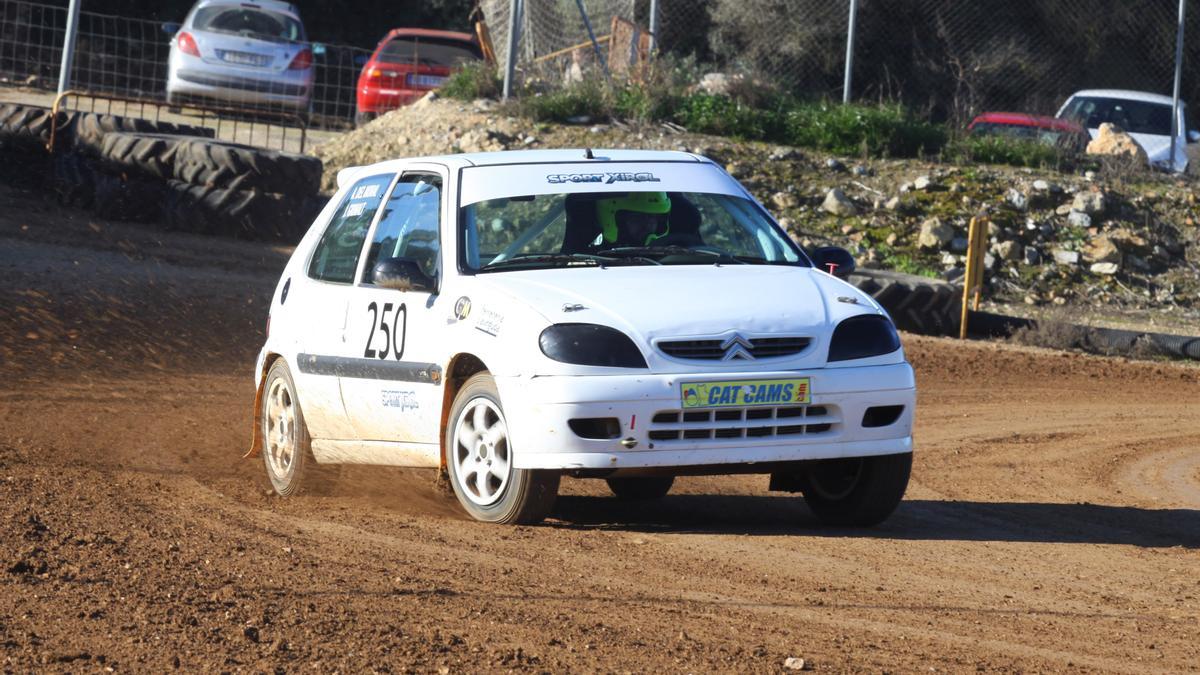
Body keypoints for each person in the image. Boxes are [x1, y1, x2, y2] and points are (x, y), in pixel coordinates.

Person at [594, 192, 672, 247]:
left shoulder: (671, 256)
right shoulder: (593, 259)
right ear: (619, 221)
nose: (648, 224)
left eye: (652, 217)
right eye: (639, 217)